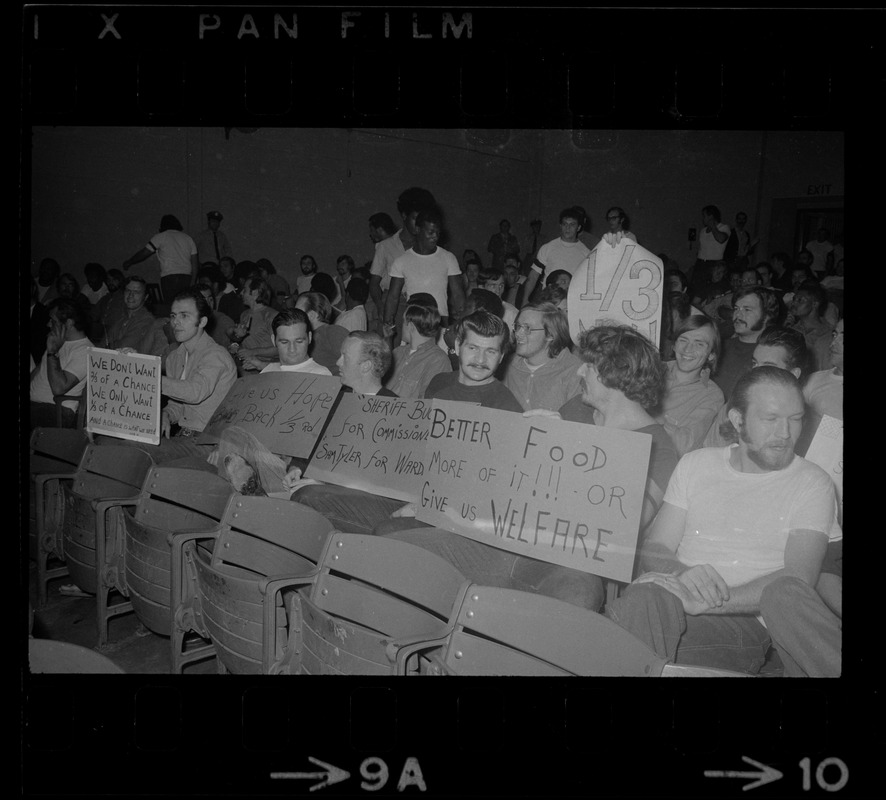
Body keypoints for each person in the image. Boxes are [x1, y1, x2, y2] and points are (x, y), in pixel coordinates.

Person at [385, 322, 677, 613]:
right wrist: (437, 503)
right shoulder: (577, 408)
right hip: (501, 541)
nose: (578, 371)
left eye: (587, 365)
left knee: (576, 595)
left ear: (614, 374)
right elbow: (505, 479)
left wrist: (572, 447)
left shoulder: (658, 448)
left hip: (566, 562)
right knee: (391, 541)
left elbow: (623, 528)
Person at [606, 367, 841, 676]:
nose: (785, 433)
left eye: (795, 419)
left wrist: (707, 600)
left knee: (622, 637)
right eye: (770, 419)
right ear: (737, 419)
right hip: (671, 602)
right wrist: (684, 577)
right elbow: (657, 544)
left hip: (740, 624)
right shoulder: (697, 464)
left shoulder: (812, 482)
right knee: (645, 599)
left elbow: (798, 577)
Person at [703, 325, 808, 449]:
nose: (756, 372)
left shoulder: (805, 422)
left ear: (793, 374)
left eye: (768, 366)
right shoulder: (734, 406)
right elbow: (710, 455)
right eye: (755, 363)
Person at [370, 187, 436, 343]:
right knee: (388, 350)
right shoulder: (385, 246)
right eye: (415, 219)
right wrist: (381, 307)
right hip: (393, 304)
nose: (419, 225)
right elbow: (373, 284)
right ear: (404, 216)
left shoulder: (429, 248)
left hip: (420, 305)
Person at [384, 206, 465, 335]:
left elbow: (457, 294)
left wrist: (462, 324)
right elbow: (393, 297)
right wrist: (388, 323)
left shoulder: (448, 258)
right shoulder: (402, 261)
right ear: (418, 230)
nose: (435, 237)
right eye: (431, 232)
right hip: (413, 325)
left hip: (440, 325)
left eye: (438, 233)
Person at [655, 315, 725, 457]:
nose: (688, 349)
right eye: (683, 340)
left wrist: (651, 416)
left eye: (699, 344)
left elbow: (684, 446)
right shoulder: (650, 370)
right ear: (674, 345)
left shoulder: (711, 395)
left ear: (711, 355)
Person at [502, 302, 582, 412]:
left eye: (527, 328)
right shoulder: (507, 365)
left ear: (550, 335)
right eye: (518, 326)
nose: (518, 334)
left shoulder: (575, 371)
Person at [29, 298, 91, 429]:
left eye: (53, 321)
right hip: (35, 405)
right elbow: (38, 372)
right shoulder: (57, 339)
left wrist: (52, 352)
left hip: (56, 410)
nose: (48, 324)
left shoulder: (86, 350)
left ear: (68, 323)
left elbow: (59, 389)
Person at [712, 286, 782, 401]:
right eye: (736, 309)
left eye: (747, 310)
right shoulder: (719, 346)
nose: (737, 315)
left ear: (767, 316)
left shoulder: (771, 357)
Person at [122, 214, 198, 303]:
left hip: (170, 277)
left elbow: (144, 253)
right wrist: (192, 282)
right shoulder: (188, 238)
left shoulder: (161, 236)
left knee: (171, 306)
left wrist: (129, 262)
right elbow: (195, 265)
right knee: (185, 305)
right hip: (186, 277)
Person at [521, 207, 591, 303]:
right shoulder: (547, 248)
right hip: (548, 301)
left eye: (572, 225)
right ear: (560, 226)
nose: (568, 228)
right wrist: (525, 300)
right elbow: (533, 277)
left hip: (572, 303)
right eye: (565, 224)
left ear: (578, 227)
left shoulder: (586, 253)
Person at [384, 301, 452, 398]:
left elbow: (428, 403)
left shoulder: (438, 360)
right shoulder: (398, 352)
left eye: (403, 322)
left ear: (411, 326)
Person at [242, 308, 332, 376]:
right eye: (284, 342)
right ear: (274, 341)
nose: (292, 349)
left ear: (310, 337)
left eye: (299, 341)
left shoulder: (321, 375)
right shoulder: (267, 371)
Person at [228, 277, 279, 369]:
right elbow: (245, 342)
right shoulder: (244, 315)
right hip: (248, 367)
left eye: (245, 290)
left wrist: (252, 352)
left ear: (255, 292)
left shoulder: (271, 316)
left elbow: (280, 348)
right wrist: (235, 346)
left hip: (268, 369)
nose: (241, 293)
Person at [294, 292, 349, 376]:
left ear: (311, 315)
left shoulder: (333, 332)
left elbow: (355, 363)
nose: (293, 317)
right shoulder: (302, 337)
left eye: (298, 312)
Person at [787, 281, 834, 372]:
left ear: (815, 304)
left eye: (800, 300)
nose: (794, 303)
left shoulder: (830, 333)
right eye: (794, 299)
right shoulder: (791, 331)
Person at [101, 275, 156, 351]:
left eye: (136, 292)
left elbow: (123, 346)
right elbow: (104, 341)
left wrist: (105, 347)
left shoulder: (146, 320)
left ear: (145, 297)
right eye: (128, 290)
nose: (130, 295)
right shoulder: (122, 317)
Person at [689, 205, 731, 302]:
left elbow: (721, 239)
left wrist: (713, 226)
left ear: (711, 216)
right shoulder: (703, 231)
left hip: (714, 264)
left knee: (708, 290)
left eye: (704, 216)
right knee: (695, 289)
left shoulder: (724, 227)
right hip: (701, 263)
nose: (703, 219)